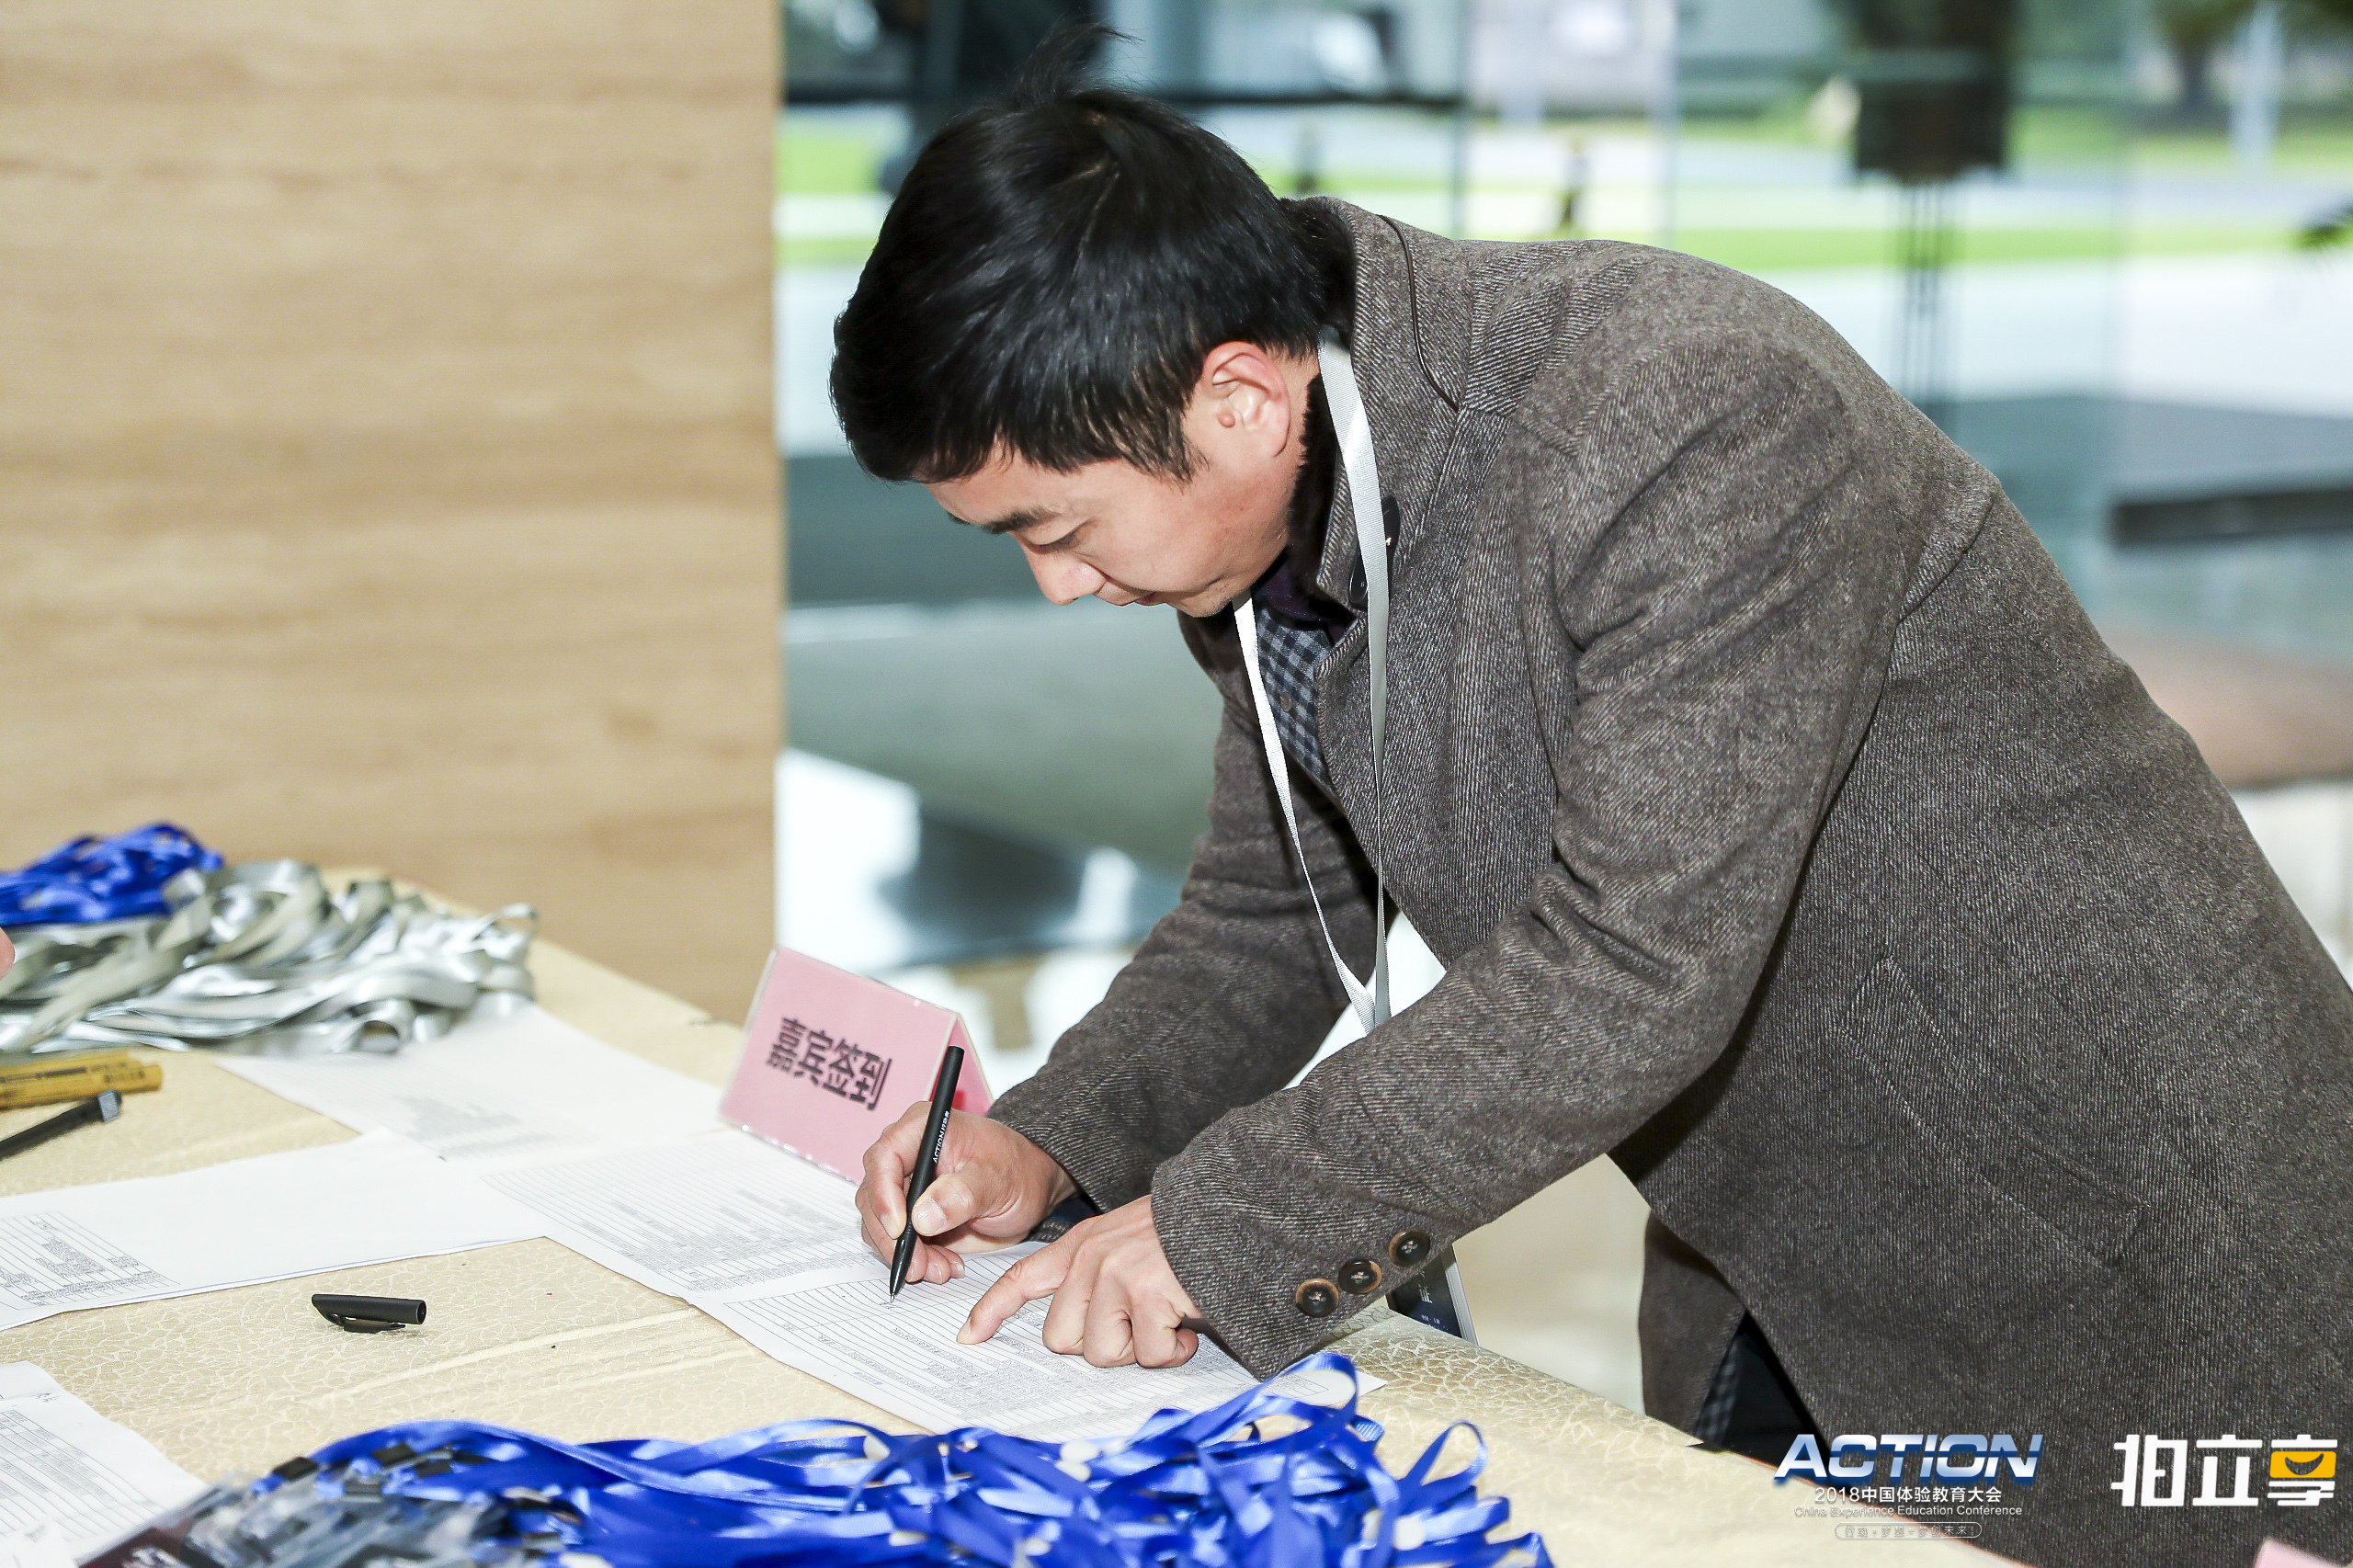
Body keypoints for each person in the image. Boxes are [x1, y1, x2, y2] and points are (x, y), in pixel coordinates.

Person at [831, 29, 2353, 1568]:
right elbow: (1268, 912)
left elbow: (1634, 956)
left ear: (1233, 396)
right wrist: (1051, 1141)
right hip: (1782, 1250)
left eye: (1055, 526)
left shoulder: (1684, 411)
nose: (1056, 585)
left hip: (2121, 1232)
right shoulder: (1282, 499)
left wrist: (1218, 1222)